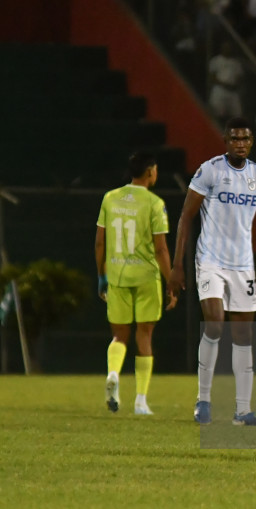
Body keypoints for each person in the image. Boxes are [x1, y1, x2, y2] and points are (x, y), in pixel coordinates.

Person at [168, 117, 256, 426]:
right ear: (225, 141)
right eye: (235, 139)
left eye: (245, 139)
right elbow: (185, 217)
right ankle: (202, 400)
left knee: (244, 335)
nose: (240, 144)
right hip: (210, 261)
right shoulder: (210, 171)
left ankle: (242, 411)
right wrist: (177, 264)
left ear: (252, 142)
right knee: (216, 325)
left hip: (242, 265)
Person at [96, 152, 177, 415]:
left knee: (119, 335)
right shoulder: (155, 203)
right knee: (145, 335)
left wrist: (101, 276)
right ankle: (140, 401)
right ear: (151, 171)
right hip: (145, 278)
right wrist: (171, 282)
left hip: (117, 275)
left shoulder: (110, 198)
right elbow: (161, 249)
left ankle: (113, 374)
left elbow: (100, 242)